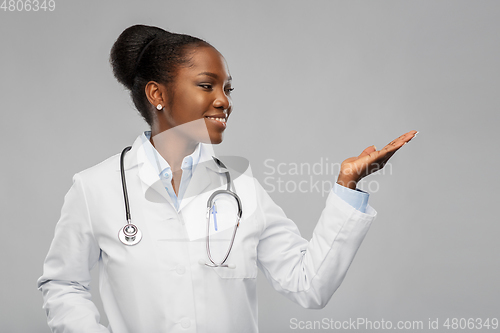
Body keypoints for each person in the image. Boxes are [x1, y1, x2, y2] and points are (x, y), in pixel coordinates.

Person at [37, 24, 417, 333]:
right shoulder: (95, 188)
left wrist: (347, 186)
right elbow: (63, 284)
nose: (224, 100)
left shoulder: (242, 188)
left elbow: (308, 285)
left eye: (227, 88)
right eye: (207, 85)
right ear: (158, 94)